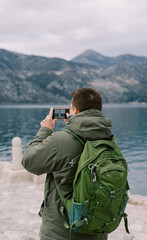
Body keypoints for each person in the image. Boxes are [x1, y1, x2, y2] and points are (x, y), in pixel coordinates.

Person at [22, 88, 112, 240]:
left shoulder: (60, 141)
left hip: (60, 232)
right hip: (98, 229)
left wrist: (45, 130)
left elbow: (29, 161)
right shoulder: (109, 139)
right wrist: (74, 124)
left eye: (71, 108)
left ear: (75, 110)